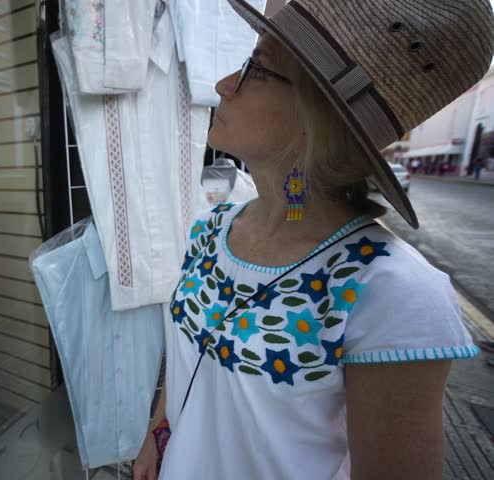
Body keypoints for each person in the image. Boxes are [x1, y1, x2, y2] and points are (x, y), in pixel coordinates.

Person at [133, 1, 494, 479]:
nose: (223, 86)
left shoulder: (393, 293)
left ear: (316, 115)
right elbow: (188, 356)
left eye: (254, 69)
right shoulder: (210, 230)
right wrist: (157, 436)